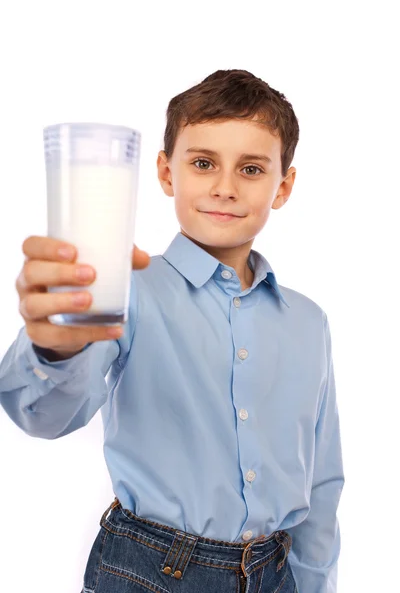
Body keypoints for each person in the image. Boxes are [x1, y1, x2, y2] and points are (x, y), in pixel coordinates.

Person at [0, 69, 344, 593]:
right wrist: (55, 348)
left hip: (277, 572)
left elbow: (320, 481)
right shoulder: (125, 289)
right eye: (203, 163)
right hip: (150, 573)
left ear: (284, 185)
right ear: (165, 173)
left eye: (251, 168)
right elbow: (46, 416)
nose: (225, 188)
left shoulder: (308, 322)